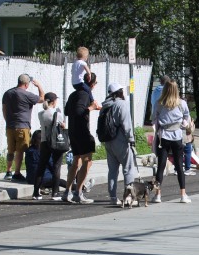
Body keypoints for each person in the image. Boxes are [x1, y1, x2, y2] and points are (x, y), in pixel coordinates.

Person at [151, 79, 192, 204]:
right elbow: (187, 117)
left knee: (161, 166)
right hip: (177, 136)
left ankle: (158, 194)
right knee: (179, 166)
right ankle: (183, 194)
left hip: (163, 136)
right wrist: (184, 124)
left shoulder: (159, 103)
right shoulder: (181, 103)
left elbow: (154, 118)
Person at [62, 72, 99, 204]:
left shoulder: (74, 94)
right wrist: (91, 108)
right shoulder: (85, 94)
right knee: (87, 161)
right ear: (92, 84)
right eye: (95, 83)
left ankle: (67, 192)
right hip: (82, 131)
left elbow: (67, 111)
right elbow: (79, 111)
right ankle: (78, 192)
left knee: (76, 161)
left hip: (72, 131)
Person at [101, 82, 139, 207]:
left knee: (112, 171)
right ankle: (129, 197)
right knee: (128, 169)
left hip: (108, 141)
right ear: (119, 92)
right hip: (121, 141)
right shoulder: (121, 104)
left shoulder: (104, 106)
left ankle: (113, 197)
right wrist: (131, 139)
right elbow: (127, 124)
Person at [2, 73, 44, 181]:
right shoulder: (27, 95)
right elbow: (42, 99)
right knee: (20, 150)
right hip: (22, 126)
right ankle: (17, 173)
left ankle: (8, 171)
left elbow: (4, 109)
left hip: (10, 126)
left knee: (10, 150)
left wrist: (8, 121)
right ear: (26, 84)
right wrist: (39, 86)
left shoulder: (7, 93)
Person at [33, 92, 66, 200]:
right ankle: (55, 193)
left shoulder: (41, 114)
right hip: (55, 142)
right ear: (53, 101)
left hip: (44, 141)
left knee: (41, 166)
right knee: (56, 166)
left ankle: (36, 193)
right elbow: (63, 126)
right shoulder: (57, 114)